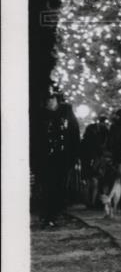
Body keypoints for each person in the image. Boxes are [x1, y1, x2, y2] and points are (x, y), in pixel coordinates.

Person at [34, 90, 80, 226]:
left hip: (62, 157)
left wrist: (74, 156)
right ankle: (48, 213)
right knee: (46, 186)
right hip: (45, 158)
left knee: (57, 186)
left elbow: (74, 136)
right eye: (47, 99)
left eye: (51, 99)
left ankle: (52, 214)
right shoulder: (41, 116)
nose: (48, 102)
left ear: (56, 100)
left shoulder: (67, 115)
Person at [80, 113, 109, 209]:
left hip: (86, 161)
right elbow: (101, 151)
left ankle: (87, 202)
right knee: (95, 182)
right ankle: (92, 201)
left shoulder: (84, 141)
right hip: (95, 162)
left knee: (87, 182)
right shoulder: (97, 140)